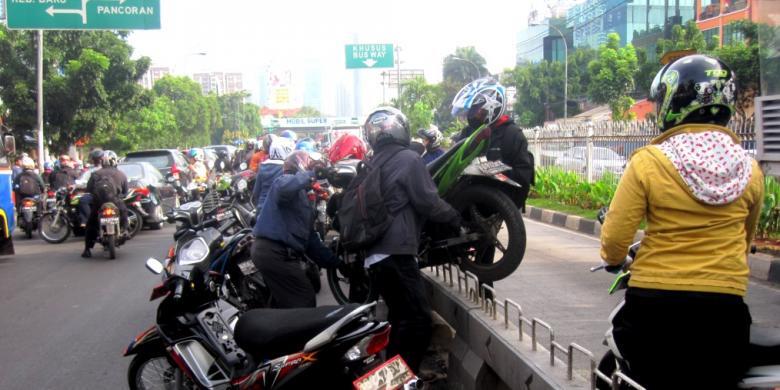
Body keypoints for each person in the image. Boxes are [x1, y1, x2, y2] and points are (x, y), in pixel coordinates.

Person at [599, 54, 762, 389]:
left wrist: (614, 261)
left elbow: (615, 238)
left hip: (656, 312)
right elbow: (745, 240)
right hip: (724, 313)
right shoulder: (750, 170)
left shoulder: (648, 162)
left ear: (672, 102)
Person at [361, 107, 461, 372]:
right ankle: (403, 380)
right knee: (418, 321)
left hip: (375, 255)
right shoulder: (408, 159)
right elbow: (428, 201)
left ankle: (392, 380)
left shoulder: (374, 160)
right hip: (396, 252)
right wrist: (455, 217)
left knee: (401, 320)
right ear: (400, 129)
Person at [251, 150, 340, 308]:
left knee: (281, 304)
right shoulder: (284, 181)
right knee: (304, 297)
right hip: (274, 253)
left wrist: (337, 263)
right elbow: (284, 188)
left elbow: (312, 243)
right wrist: (312, 174)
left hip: (273, 254)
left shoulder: (303, 201)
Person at [452, 77, 534, 207]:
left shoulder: (512, 134)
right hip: (464, 203)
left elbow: (522, 178)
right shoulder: (467, 133)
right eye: (471, 111)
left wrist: (492, 169)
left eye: (477, 111)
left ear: (493, 107)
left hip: (497, 205)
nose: (471, 116)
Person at [82, 149, 129, 258]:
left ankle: (87, 249)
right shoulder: (121, 174)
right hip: (116, 202)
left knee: (91, 223)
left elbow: (88, 190)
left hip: (99, 204)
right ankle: (126, 230)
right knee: (124, 214)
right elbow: (125, 192)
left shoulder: (95, 174)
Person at [252, 134, 294, 217]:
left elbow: (256, 193)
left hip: (261, 212)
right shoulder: (288, 168)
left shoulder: (262, 166)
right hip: (280, 214)